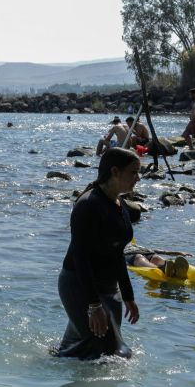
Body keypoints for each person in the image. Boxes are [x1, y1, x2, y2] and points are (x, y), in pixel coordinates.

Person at [53, 147, 142, 360]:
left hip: (110, 287)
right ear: (115, 171)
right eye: (133, 172)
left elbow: (118, 253)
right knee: (112, 353)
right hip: (80, 285)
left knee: (82, 348)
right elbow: (80, 258)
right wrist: (93, 305)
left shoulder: (120, 204)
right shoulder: (88, 205)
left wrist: (129, 296)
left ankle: (54, 375)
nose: (138, 178)